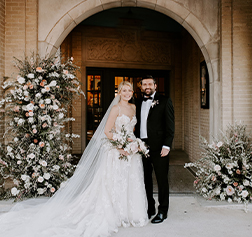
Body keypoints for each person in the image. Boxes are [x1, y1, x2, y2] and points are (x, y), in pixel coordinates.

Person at [0, 81, 148, 237]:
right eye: (124, 90)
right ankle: (116, 212)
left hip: (132, 151)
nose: (127, 93)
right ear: (119, 92)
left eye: (129, 90)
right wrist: (121, 146)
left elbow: (132, 130)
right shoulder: (115, 108)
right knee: (115, 182)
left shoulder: (133, 108)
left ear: (132, 92)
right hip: (117, 151)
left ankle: (129, 213)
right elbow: (107, 131)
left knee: (130, 181)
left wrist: (134, 145)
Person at [135, 75, 175, 224]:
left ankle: (163, 211)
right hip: (142, 146)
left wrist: (167, 145)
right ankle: (150, 208)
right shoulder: (138, 102)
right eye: (144, 84)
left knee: (162, 179)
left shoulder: (165, 101)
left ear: (155, 86)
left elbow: (170, 126)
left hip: (160, 147)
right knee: (145, 179)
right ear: (141, 87)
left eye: (150, 84)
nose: (147, 86)